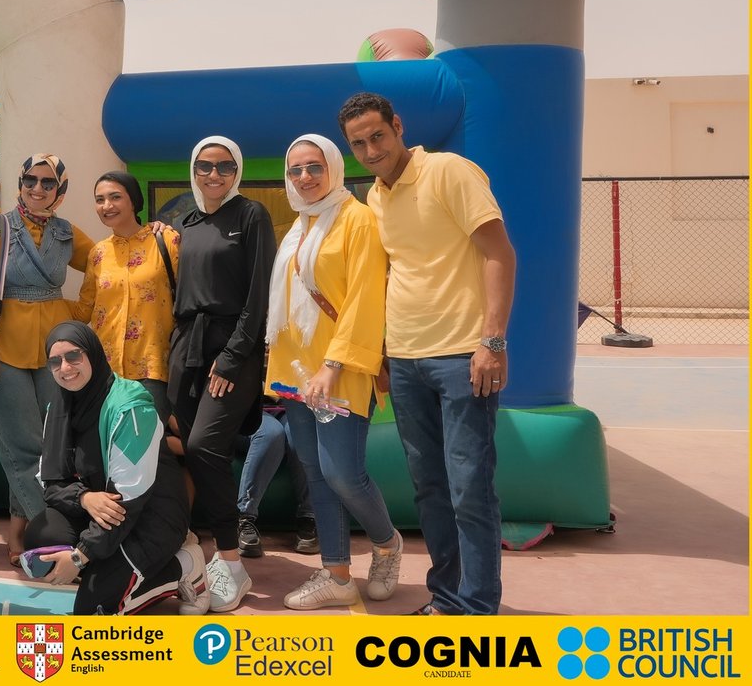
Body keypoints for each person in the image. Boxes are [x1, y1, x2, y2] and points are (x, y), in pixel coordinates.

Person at [338, 92, 516, 616]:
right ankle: (447, 598)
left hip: (462, 356)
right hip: (406, 361)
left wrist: (493, 341)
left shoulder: (449, 171)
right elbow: (393, 273)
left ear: (398, 126)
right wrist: (383, 353)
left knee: (469, 489)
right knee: (430, 490)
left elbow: (500, 253)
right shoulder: (374, 198)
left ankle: (477, 608)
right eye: (359, 144)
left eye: (378, 136)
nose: (371, 150)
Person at [263, 133, 404, 610]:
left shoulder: (356, 219)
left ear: (334, 169)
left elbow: (365, 299)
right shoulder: (299, 224)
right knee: (316, 474)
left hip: (338, 371)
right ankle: (337, 574)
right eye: (296, 169)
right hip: (296, 373)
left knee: (342, 472)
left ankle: (386, 544)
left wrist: (332, 364)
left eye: (314, 167)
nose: (304, 177)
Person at [27, 322, 208, 615]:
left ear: (93, 354)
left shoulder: (131, 408)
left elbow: (127, 501)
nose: (65, 368)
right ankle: (110, 570)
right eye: (55, 361)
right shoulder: (59, 406)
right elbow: (50, 483)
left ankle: (183, 566)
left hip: (150, 516)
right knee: (43, 535)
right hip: (103, 510)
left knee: (94, 611)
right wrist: (84, 498)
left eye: (73, 356)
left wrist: (79, 557)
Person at [0, 153, 95, 561]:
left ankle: (20, 531)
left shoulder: (65, 232)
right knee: (22, 444)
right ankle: (51, 529)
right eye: (31, 180)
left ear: (60, 190)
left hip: (55, 352)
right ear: (20, 183)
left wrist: (78, 310)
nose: (38, 188)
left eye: (48, 182)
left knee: (51, 444)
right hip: (4, 348)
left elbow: (103, 262)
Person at [169, 135, 275, 612]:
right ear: (193, 170)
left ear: (238, 171)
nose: (214, 175)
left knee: (204, 447)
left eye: (225, 166)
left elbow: (259, 294)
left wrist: (232, 357)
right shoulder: (185, 223)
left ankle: (231, 563)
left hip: (232, 349)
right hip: (185, 350)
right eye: (205, 166)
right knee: (196, 453)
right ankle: (203, 552)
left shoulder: (251, 215)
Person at [74, 171, 179, 418]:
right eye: (100, 200)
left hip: (153, 368)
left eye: (115, 197)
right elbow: (84, 310)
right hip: (105, 372)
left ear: (133, 201)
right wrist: (34, 306)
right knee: (107, 439)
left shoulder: (166, 240)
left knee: (149, 439)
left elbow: (189, 298)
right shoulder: (98, 254)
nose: (107, 205)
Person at [235, 407, 317, 557]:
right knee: (271, 434)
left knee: (300, 433)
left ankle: (308, 517)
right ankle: (245, 517)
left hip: (291, 407)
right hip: (250, 409)